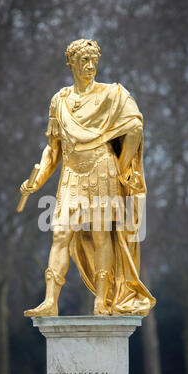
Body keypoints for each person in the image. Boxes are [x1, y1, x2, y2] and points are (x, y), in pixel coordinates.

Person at [20, 39, 156, 317]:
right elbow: (53, 148)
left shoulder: (113, 94)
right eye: (83, 60)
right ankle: (50, 301)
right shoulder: (59, 101)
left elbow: (135, 128)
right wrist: (38, 179)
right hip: (71, 173)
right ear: (70, 63)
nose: (90, 65)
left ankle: (101, 300)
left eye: (94, 60)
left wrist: (121, 167)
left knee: (101, 234)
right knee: (60, 233)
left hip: (102, 169)